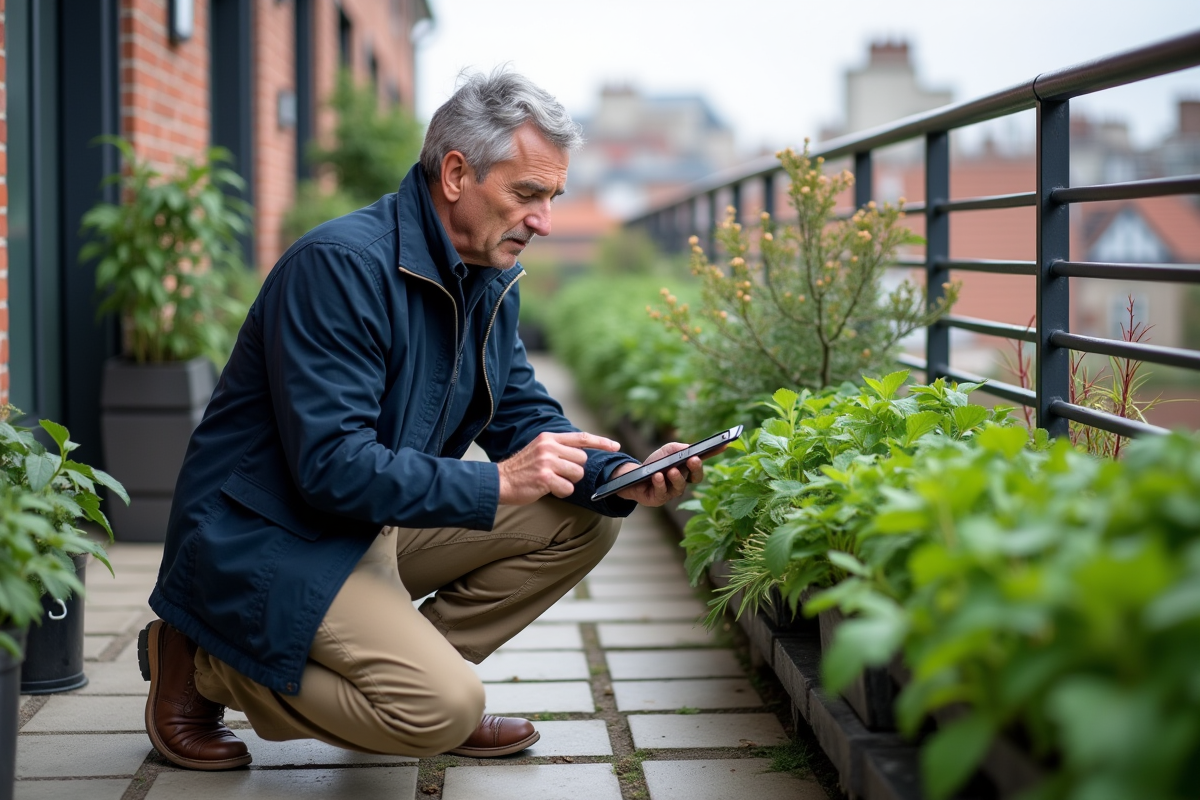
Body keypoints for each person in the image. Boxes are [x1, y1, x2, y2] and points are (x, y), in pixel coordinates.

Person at [139, 69, 721, 770]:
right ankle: (200, 657)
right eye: (527, 194)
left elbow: (521, 412)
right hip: (272, 537)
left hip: (368, 522)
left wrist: (619, 473)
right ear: (454, 173)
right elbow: (331, 467)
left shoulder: (487, 275)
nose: (544, 220)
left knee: (583, 515)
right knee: (438, 710)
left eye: (552, 197)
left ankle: (421, 684)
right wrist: (496, 485)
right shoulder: (340, 267)